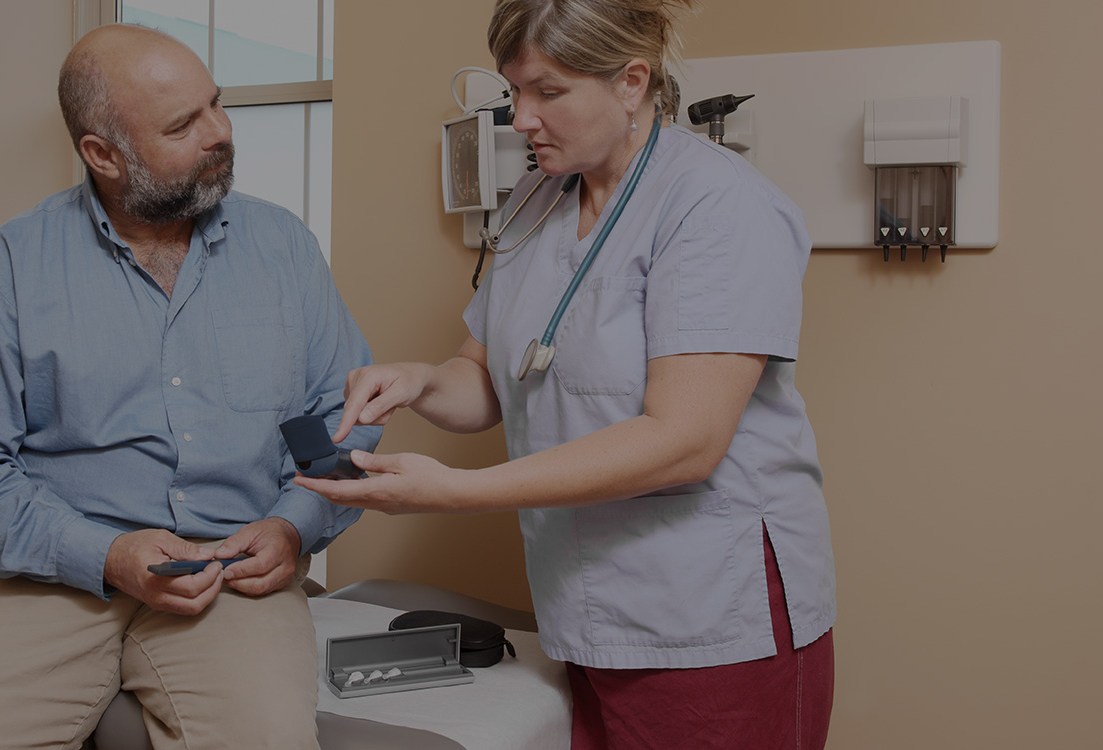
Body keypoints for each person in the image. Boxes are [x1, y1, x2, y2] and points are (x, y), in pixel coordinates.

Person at [296, 1, 835, 748]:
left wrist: (455, 492)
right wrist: (418, 380)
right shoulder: (537, 199)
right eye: (514, 90)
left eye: (548, 92)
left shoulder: (716, 205)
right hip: (585, 609)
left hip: (710, 614)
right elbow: (486, 381)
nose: (521, 118)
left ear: (631, 82)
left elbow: (686, 439)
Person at [0, 24, 380, 750]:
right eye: (185, 123)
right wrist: (104, 555)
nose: (220, 132)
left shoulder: (284, 249)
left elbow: (335, 422)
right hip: (50, 577)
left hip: (229, 576)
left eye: (215, 105)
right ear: (103, 155)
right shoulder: (5, 268)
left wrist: (292, 526)